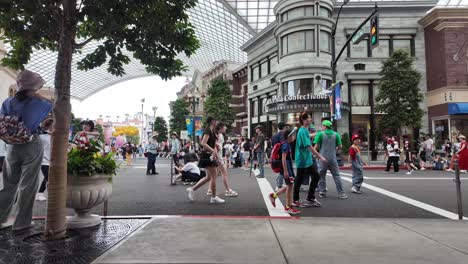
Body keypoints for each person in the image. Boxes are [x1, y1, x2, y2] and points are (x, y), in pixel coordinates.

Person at [0, 70, 52, 230]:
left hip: (12, 146)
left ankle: (1, 217)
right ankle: (21, 223)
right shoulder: (37, 102)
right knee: (28, 184)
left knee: (9, 184)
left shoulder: (8, 102)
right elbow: (54, 105)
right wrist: (39, 95)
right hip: (31, 143)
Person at [186, 117, 225, 204]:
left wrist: (215, 152)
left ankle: (192, 189)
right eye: (216, 120)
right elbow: (203, 143)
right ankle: (214, 197)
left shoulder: (211, 130)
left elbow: (211, 144)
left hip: (209, 155)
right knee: (213, 177)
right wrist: (213, 151)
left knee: (209, 177)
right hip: (207, 156)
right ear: (212, 121)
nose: (217, 121)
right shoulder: (208, 130)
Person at [293, 112, 327, 207]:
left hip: (306, 160)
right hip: (302, 160)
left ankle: (310, 198)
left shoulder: (304, 130)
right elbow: (308, 146)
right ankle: (296, 200)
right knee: (299, 179)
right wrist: (320, 156)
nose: (310, 119)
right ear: (304, 120)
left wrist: (319, 133)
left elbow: (309, 136)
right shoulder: (303, 130)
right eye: (308, 118)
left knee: (315, 176)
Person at [268, 128, 301, 214]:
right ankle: (288, 206)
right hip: (286, 167)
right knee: (290, 186)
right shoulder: (285, 145)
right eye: (293, 135)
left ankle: (274, 196)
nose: (294, 137)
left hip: (287, 167)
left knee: (290, 185)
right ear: (289, 136)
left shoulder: (286, 144)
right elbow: (283, 159)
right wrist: (286, 171)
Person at [314, 120, 348, 199]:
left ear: (325, 126)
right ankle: (341, 193)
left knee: (321, 175)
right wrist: (335, 149)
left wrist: (315, 155)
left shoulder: (320, 134)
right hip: (333, 158)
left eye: (322, 125)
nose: (321, 127)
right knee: (336, 175)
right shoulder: (336, 134)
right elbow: (340, 147)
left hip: (322, 158)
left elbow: (315, 147)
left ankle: (322, 192)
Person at [211, 123, 238, 197]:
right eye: (224, 126)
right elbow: (214, 145)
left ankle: (210, 190)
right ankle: (228, 190)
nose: (226, 128)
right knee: (224, 173)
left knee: (214, 174)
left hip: (218, 156)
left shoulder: (219, 134)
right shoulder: (217, 135)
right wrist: (217, 154)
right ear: (220, 127)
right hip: (218, 156)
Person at [36, 118, 54, 201]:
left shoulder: (56, 136)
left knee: (46, 178)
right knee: (49, 178)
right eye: (53, 124)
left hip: (53, 161)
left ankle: (40, 193)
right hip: (44, 161)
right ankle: (53, 194)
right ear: (48, 125)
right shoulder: (41, 136)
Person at [272, 122, 288, 191]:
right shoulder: (283, 134)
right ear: (284, 127)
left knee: (281, 169)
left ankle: (280, 183)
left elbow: (273, 145)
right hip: (282, 154)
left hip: (276, 155)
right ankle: (279, 185)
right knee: (282, 169)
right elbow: (283, 144)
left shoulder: (274, 135)